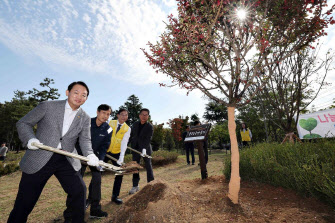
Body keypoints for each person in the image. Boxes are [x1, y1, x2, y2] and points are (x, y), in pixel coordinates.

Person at [8, 81, 100, 223]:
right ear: (67, 92)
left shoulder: (85, 118)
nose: (79, 97)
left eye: (84, 95)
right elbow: (23, 123)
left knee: (79, 191)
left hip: (65, 158)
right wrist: (30, 139)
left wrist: (90, 154)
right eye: (76, 92)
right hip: (40, 155)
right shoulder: (47, 106)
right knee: (25, 202)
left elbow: (85, 140)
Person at [64, 104, 112, 221]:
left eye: (108, 114)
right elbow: (75, 138)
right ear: (97, 112)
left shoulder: (108, 129)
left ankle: (95, 210)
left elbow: (104, 146)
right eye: (103, 113)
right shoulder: (86, 122)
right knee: (76, 184)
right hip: (79, 156)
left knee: (97, 181)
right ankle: (70, 214)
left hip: (94, 158)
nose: (105, 116)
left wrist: (100, 159)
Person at [104, 108, 131, 204]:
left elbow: (124, 143)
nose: (124, 117)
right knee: (97, 172)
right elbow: (105, 135)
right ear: (118, 115)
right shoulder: (111, 123)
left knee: (119, 173)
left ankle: (115, 196)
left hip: (116, 153)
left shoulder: (127, 129)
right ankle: (91, 198)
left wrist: (121, 157)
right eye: (122, 114)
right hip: (105, 151)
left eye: (126, 115)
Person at [128, 108, 154, 194]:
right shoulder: (134, 124)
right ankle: (135, 185)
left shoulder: (149, 126)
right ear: (139, 115)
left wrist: (144, 149)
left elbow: (148, 139)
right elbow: (131, 135)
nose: (144, 116)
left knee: (148, 166)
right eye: (142, 114)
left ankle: (151, 184)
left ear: (148, 116)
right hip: (135, 148)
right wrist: (126, 144)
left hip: (146, 149)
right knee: (135, 167)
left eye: (146, 115)